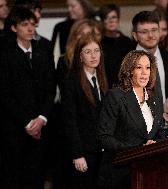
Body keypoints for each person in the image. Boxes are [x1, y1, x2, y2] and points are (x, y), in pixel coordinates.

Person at [0, 7, 56, 188]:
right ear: (14, 28)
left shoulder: (44, 51)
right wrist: (27, 122)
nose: (30, 29)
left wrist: (41, 118)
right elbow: (4, 93)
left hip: (41, 126)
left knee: (37, 175)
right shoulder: (5, 54)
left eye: (33, 24)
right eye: (25, 25)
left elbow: (50, 88)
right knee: (14, 176)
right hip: (15, 128)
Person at [96, 50, 164, 189]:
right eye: (139, 67)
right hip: (119, 173)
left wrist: (155, 144)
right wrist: (137, 149)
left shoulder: (154, 97)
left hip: (147, 172)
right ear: (129, 70)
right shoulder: (116, 96)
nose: (145, 72)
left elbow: (157, 132)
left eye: (148, 67)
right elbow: (104, 137)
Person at [60, 33, 108, 189]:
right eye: (88, 52)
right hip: (84, 152)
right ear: (80, 57)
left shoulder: (103, 79)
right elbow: (69, 121)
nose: (93, 56)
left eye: (96, 50)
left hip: (102, 150)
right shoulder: (71, 82)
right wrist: (77, 154)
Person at [132, 10, 168, 116]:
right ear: (135, 35)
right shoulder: (127, 63)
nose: (150, 35)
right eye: (144, 32)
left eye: (154, 30)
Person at [99, 4, 134, 88]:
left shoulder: (128, 42)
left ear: (118, 19)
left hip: (125, 88)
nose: (111, 21)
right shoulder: (98, 43)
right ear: (102, 21)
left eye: (113, 17)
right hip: (104, 88)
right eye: (106, 18)